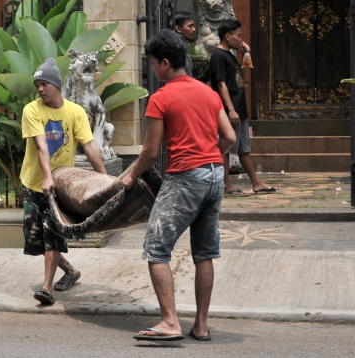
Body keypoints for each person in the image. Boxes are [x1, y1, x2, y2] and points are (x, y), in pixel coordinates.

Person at [122, 30, 236, 341]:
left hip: (186, 177)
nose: (153, 70)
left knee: (156, 249)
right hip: (214, 175)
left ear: (165, 62)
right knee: (205, 252)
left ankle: (170, 323)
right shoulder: (209, 93)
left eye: (153, 63)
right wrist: (208, 158)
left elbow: (149, 151)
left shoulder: (161, 97)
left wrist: (129, 177)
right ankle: (200, 326)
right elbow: (229, 138)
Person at [20, 57, 107, 305]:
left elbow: (89, 145)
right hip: (33, 182)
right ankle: (70, 270)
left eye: (44, 83)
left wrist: (104, 179)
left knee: (53, 233)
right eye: (37, 84)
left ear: (56, 85)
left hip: (59, 185)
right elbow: (41, 146)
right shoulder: (32, 110)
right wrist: (46, 177)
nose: (40, 89)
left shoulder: (75, 111)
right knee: (35, 238)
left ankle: (46, 288)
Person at [210, 19, 277, 196]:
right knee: (225, 146)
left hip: (239, 108)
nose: (240, 39)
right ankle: (225, 185)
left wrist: (246, 56)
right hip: (229, 109)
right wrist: (230, 109)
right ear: (228, 35)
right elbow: (221, 84)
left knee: (243, 149)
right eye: (238, 36)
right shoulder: (218, 56)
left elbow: (242, 77)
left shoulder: (230, 55)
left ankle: (257, 183)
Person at [174, 10, 196, 77]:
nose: (194, 29)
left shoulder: (182, 50)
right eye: (190, 26)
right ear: (178, 29)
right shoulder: (176, 52)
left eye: (193, 26)